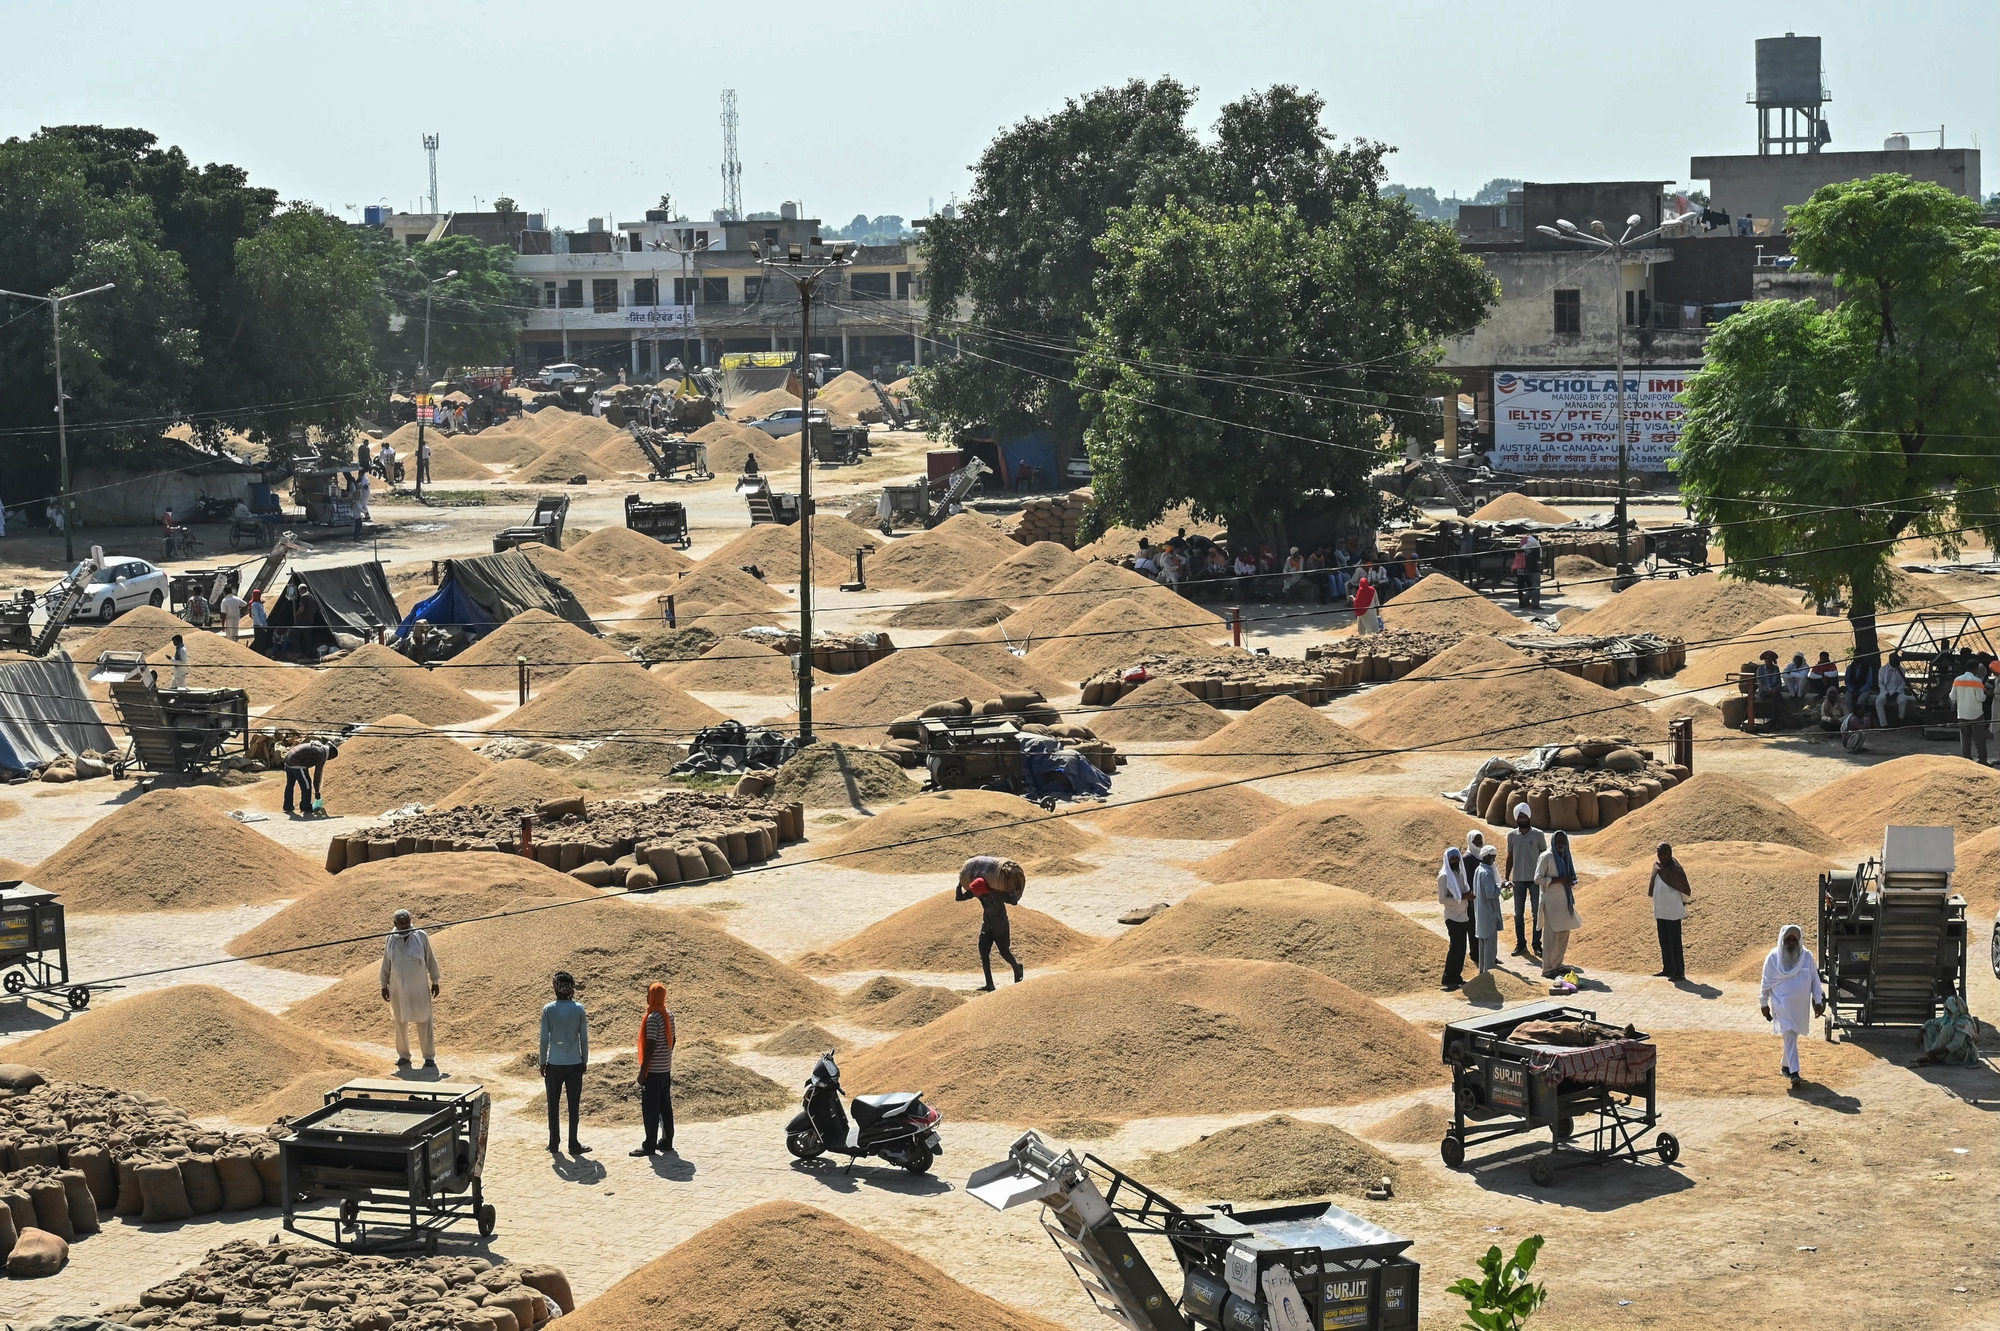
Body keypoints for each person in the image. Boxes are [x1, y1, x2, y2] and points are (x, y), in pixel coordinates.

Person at [1758, 924, 1825, 1080]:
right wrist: (1763, 1003)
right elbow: (1765, 982)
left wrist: (1818, 1000)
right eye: (1788, 939)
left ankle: (1785, 1066)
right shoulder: (1773, 957)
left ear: (1799, 941)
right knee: (1789, 1032)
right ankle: (1794, 1072)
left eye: (1794, 940)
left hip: (1800, 1007)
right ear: (1782, 940)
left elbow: (1815, 980)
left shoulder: (1806, 957)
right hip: (1781, 1004)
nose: (1791, 943)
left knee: (1791, 1035)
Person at [380, 909, 441, 1070]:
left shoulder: (420, 936)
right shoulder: (391, 939)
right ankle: (403, 1055)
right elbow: (386, 962)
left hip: (419, 987)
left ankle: (429, 1057)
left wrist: (435, 980)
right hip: (397, 988)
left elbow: (430, 958)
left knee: (424, 1021)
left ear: (410, 921)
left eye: (406, 922)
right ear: (395, 924)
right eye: (401, 923)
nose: (405, 925)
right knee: (400, 1022)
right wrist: (383, 984)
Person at [956, 855, 1025, 991]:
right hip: (987, 927)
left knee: (1005, 952)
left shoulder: (997, 894)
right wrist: (960, 884)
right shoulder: (978, 893)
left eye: (975, 892)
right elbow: (959, 898)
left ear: (981, 890)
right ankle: (990, 984)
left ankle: (1017, 969)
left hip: (1001, 928)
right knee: (983, 951)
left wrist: (1011, 889)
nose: (974, 894)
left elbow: (1014, 902)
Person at [538, 971, 589, 1154]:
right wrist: (585, 1059)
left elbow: (544, 1040)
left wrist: (542, 1062)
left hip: (554, 1064)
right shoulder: (579, 1009)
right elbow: (583, 1038)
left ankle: (553, 1143)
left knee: (553, 1104)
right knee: (573, 1105)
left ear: (556, 988)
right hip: (575, 1062)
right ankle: (573, 1143)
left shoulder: (549, 1009)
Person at [631, 981, 677, 1156]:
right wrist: (666, 1056)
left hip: (654, 1072)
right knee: (665, 1106)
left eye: (648, 993)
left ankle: (649, 1145)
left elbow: (650, 1047)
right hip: (665, 1070)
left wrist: (643, 1071)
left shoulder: (652, 1018)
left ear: (651, 997)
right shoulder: (668, 1015)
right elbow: (673, 1039)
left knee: (650, 1109)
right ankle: (667, 1141)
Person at [1535, 830, 1583, 978]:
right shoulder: (1546, 857)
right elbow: (1537, 879)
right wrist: (1560, 880)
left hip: (1564, 902)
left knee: (1563, 934)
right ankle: (1547, 968)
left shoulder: (1566, 857)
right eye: (1558, 842)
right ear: (1553, 842)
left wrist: (1570, 881)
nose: (1560, 845)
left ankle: (1557, 965)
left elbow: (1569, 875)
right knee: (1551, 936)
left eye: (1563, 842)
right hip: (1551, 903)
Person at [1503, 802, 1545, 958]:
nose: (1522, 819)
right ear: (1516, 818)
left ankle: (1537, 944)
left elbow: (1544, 857)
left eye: (1524, 816)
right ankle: (1521, 943)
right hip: (1518, 880)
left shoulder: (1538, 835)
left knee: (1536, 913)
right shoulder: (1512, 836)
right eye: (1519, 816)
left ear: (1529, 816)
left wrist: (1545, 876)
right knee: (1518, 914)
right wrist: (1507, 878)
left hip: (1535, 880)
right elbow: (1510, 857)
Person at [1649, 842, 1692, 981]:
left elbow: (1684, 890)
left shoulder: (1676, 869)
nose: (1663, 857)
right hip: (1661, 911)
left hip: (1673, 912)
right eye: (1661, 854)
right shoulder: (1657, 867)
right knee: (1664, 942)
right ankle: (1668, 968)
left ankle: (1679, 972)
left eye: (1665, 854)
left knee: (1675, 944)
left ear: (1670, 853)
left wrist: (1681, 903)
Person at [1436, 847, 1471, 991]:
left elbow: (1464, 890)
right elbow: (1442, 899)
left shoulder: (1460, 872)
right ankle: (1448, 978)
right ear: (1447, 860)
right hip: (1452, 916)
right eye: (1452, 859)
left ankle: (1456, 977)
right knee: (1455, 947)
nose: (1455, 861)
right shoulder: (1444, 876)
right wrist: (1462, 897)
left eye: (1457, 858)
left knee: (1462, 948)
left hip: (1463, 915)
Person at [281, 736, 338, 815]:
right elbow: (317, 775)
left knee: (290, 784)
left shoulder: (320, 748)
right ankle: (306, 807)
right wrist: (317, 793)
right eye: (331, 758)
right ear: (330, 754)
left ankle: (287, 806)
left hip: (289, 759)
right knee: (306, 784)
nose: (330, 759)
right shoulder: (322, 754)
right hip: (297, 762)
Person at [1916, 995, 1979, 1066]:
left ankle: (1932, 1056)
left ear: (1956, 1009)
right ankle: (1931, 1055)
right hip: (1946, 1051)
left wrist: (1936, 1052)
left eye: (1949, 1009)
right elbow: (1930, 1022)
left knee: (1947, 1029)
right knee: (1930, 1028)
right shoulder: (1947, 1018)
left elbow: (1956, 1043)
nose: (1947, 1011)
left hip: (1961, 1052)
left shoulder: (1965, 1022)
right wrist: (1919, 1033)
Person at [1471, 845, 1503, 975]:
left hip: (1481, 913)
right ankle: (1489, 974)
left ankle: (1483, 973)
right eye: (1493, 857)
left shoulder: (1478, 870)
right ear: (1489, 856)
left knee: (1483, 945)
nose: (1494, 859)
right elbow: (1491, 893)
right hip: (1489, 914)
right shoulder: (1487, 872)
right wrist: (1502, 886)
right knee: (1489, 947)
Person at [1953, 659, 1991, 764]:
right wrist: (1986, 694)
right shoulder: (1977, 681)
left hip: (1962, 714)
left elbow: (1952, 696)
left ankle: (1966, 760)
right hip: (1976, 714)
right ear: (1975, 669)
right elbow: (1980, 698)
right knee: (1979, 739)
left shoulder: (1957, 680)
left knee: (1965, 739)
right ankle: (1982, 760)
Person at [1877, 653, 1914, 729]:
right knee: (1878, 702)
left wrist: (1897, 692)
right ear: (1891, 661)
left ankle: (1900, 720)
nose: (1898, 663)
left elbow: (1903, 683)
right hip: (1886, 690)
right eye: (1896, 661)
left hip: (1898, 690)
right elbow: (1880, 683)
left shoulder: (1901, 670)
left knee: (1903, 700)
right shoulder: (1883, 669)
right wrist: (1886, 693)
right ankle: (1883, 724)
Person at [1514, 533, 1542, 609]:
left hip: (1527, 569)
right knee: (1536, 587)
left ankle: (1525, 599)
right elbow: (1538, 558)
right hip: (1534, 569)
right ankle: (1535, 604)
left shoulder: (1524, 547)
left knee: (1533, 586)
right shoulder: (1535, 547)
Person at [248, 588, 271, 655]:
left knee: (263, 641)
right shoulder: (254, 604)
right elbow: (256, 616)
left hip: (263, 625)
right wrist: (261, 625)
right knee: (259, 642)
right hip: (258, 626)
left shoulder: (259, 604)